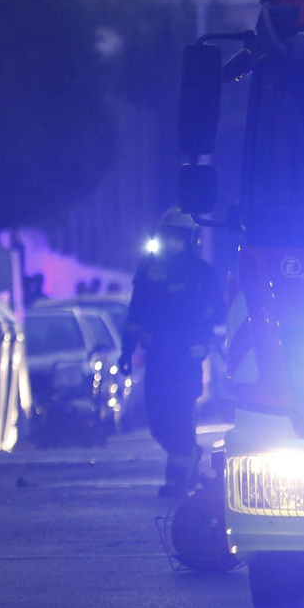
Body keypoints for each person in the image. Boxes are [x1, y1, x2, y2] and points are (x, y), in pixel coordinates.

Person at [120, 209, 227, 497]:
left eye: (179, 237)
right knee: (157, 418)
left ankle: (178, 479)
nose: (173, 242)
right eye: (169, 236)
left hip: (187, 358)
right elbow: (136, 311)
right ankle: (188, 457)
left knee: (180, 414)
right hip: (158, 356)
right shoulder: (148, 270)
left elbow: (218, 312)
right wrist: (126, 350)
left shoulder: (202, 273)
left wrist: (205, 330)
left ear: (191, 239)